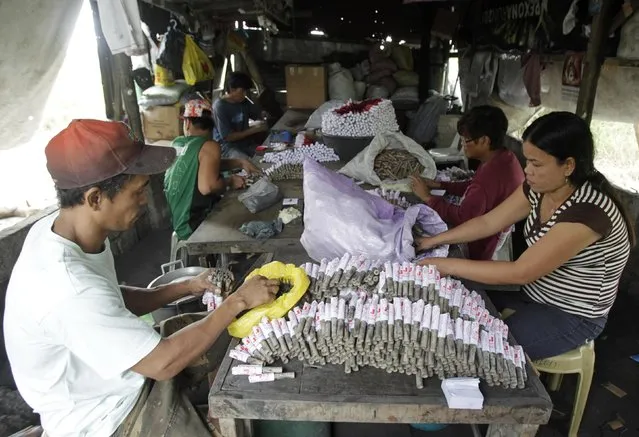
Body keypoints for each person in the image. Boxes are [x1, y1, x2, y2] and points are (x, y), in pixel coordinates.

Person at [3, 119, 280, 437]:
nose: (145, 202)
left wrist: (188, 285)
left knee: (227, 331)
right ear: (95, 199)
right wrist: (238, 299)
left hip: (121, 371)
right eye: (138, 192)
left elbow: (109, 298)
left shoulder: (67, 230)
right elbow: (162, 364)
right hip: (108, 415)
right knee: (221, 324)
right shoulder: (67, 288)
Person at [416, 112, 635, 360]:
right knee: (453, 293)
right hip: (536, 292)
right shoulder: (540, 189)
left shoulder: (587, 212)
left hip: (572, 314)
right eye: (527, 160)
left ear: (569, 166)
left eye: (537, 164)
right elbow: (489, 222)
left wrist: (446, 264)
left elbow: (521, 272)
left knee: (481, 351)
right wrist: (434, 241)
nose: (527, 170)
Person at [411, 105, 525, 260]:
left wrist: (428, 198)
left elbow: (463, 217)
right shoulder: (504, 157)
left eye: (466, 140)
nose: (462, 145)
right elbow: (473, 184)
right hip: (499, 229)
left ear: (484, 140)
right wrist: (441, 185)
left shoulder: (488, 179)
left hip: (482, 243)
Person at [164, 98, 259, 241]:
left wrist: (239, 162)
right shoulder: (210, 146)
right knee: (249, 210)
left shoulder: (177, 144)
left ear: (188, 122)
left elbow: (203, 167)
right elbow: (208, 187)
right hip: (194, 223)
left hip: (179, 220)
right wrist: (230, 181)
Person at [212, 71, 268, 159]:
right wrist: (254, 130)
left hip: (246, 144)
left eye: (246, 91)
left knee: (268, 154)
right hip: (228, 148)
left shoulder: (243, 101)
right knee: (248, 163)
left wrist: (263, 115)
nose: (245, 95)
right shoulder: (219, 107)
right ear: (232, 89)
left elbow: (257, 115)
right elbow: (228, 137)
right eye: (242, 91)